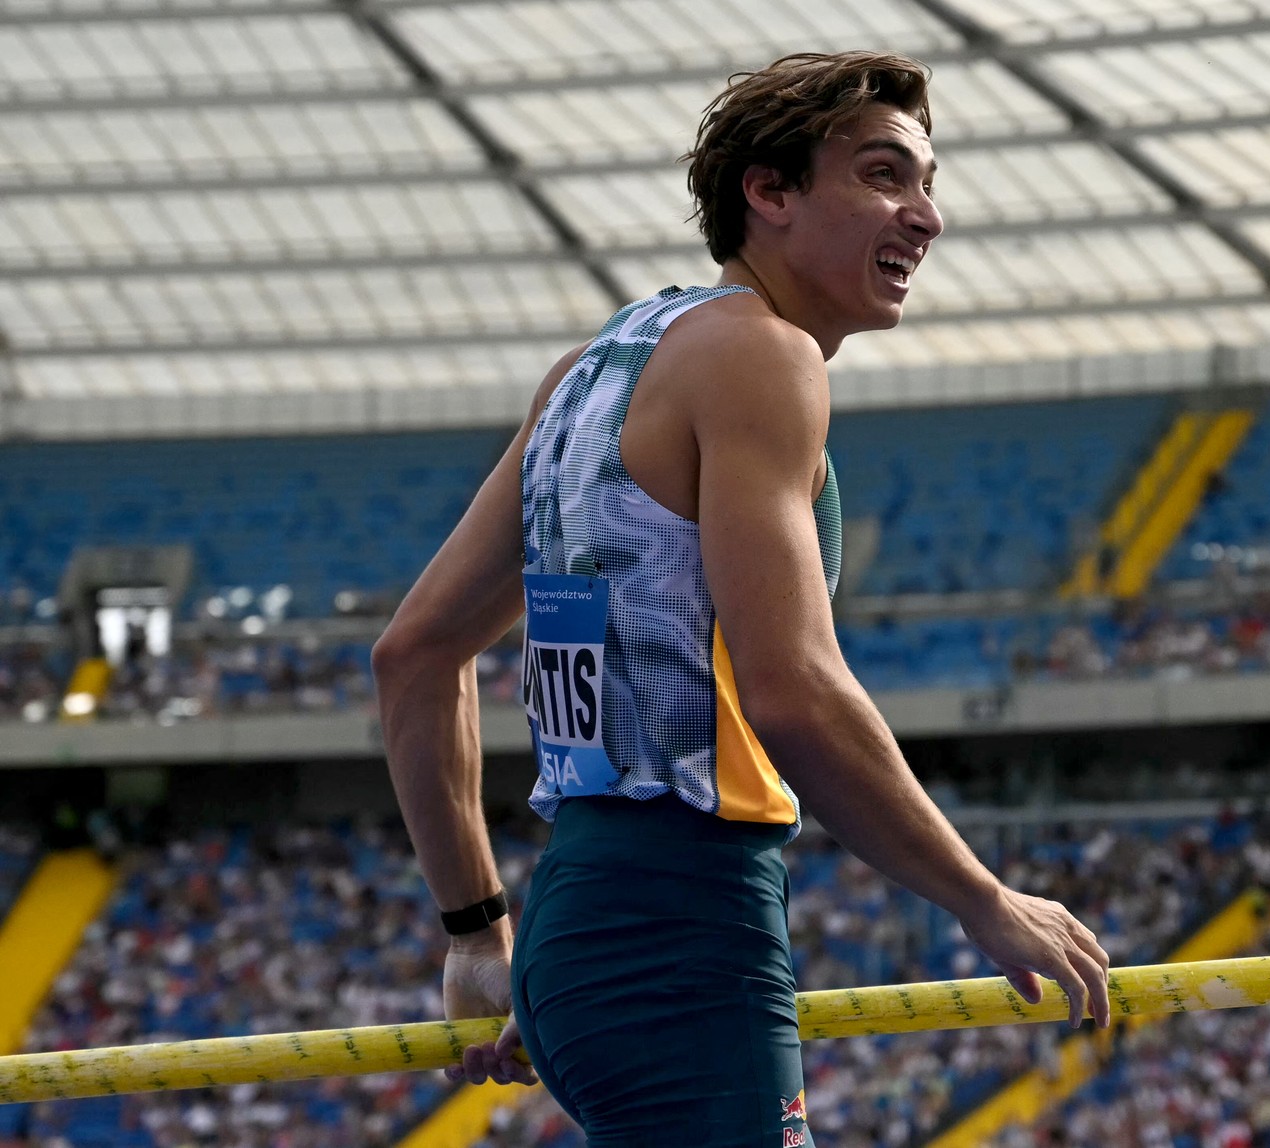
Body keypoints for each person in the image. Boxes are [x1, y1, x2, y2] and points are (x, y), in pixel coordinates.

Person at [372, 51, 1111, 1146]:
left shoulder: (594, 366)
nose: (928, 216)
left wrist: (479, 930)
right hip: (681, 925)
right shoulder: (763, 357)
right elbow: (795, 691)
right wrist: (982, 898)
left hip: (588, 918)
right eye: (883, 175)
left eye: (927, 181)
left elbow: (415, 656)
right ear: (769, 193)